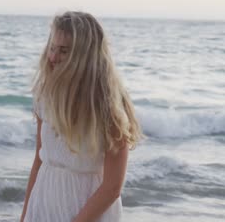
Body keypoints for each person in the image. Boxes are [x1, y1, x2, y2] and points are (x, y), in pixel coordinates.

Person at [20, 11, 143, 222]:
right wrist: (24, 216)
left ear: (84, 57)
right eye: (52, 48)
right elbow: (39, 161)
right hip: (44, 203)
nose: (52, 57)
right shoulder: (44, 96)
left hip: (87, 211)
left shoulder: (108, 110)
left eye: (64, 51)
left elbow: (112, 187)